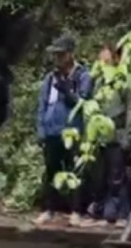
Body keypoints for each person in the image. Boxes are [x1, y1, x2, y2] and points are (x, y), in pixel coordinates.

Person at [35, 34, 92, 225]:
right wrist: (41, 129)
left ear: (70, 54)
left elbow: (82, 101)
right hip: (52, 130)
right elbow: (42, 105)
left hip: (72, 131)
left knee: (74, 171)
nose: (57, 58)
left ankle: (76, 211)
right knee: (51, 172)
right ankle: (48, 209)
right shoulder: (50, 78)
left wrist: (66, 90)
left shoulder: (82, 75)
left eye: (61, 54)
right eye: (55, 55)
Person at [84, 43, 131, 226]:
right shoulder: (99, 83)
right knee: (102, 177)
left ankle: (120, 215)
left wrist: (128, 137)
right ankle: (105, 213)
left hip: (118, 136)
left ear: (116, 59)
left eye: (107, 59)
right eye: (101, 60)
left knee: (117, 178)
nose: (103, 63)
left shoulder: (124, 81)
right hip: (101, 138)